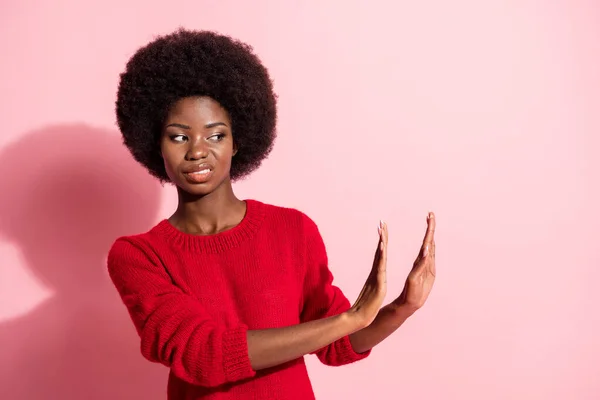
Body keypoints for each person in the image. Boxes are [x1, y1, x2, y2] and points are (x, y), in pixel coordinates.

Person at [108, 28, 436, 400]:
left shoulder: (292, 230)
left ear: (238, 142)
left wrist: (401, 308)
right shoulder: (138, 256)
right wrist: (349, 319)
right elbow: (202, 355)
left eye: (215, 135)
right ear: (156, 145)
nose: (198, 151)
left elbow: (336, 344)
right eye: (180, 137)